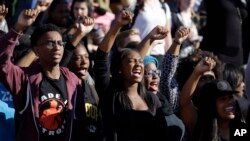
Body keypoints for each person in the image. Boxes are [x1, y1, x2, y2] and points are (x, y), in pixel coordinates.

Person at [0, 8, 86, 141]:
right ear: (36, 50)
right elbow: (3, 63)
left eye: (60, 43)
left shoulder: (73, 81)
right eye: (50, 43)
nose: (57, 47)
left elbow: (80, 124)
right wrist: (18, 27)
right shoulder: (24, 79)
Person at [94, 10, 165, 141]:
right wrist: (117, 25)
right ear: (120, 69)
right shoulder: (110, 91)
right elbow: (101, 58)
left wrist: (150, 37)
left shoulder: (152, 99)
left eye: (140, 62)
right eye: (132, 62)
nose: (138, 65)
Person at [180, 57, 249, 140]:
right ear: (211, 104)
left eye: (231, 97)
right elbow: (184, 103)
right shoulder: (202, 126)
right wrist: (196, 73)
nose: (230, 102)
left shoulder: (241, 130)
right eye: (223, 99)